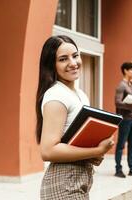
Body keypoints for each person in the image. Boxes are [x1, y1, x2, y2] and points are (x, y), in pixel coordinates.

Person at [36, 35, 114, 200]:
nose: (73, 62)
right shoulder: (56, 96)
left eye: (75, 55)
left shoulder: (80, 95)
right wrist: (98, 150)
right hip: (64, 184)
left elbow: (71, 141)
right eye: (63, 59)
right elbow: (48, 150)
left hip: (78, 181)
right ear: (52, 65)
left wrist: (93, 155)